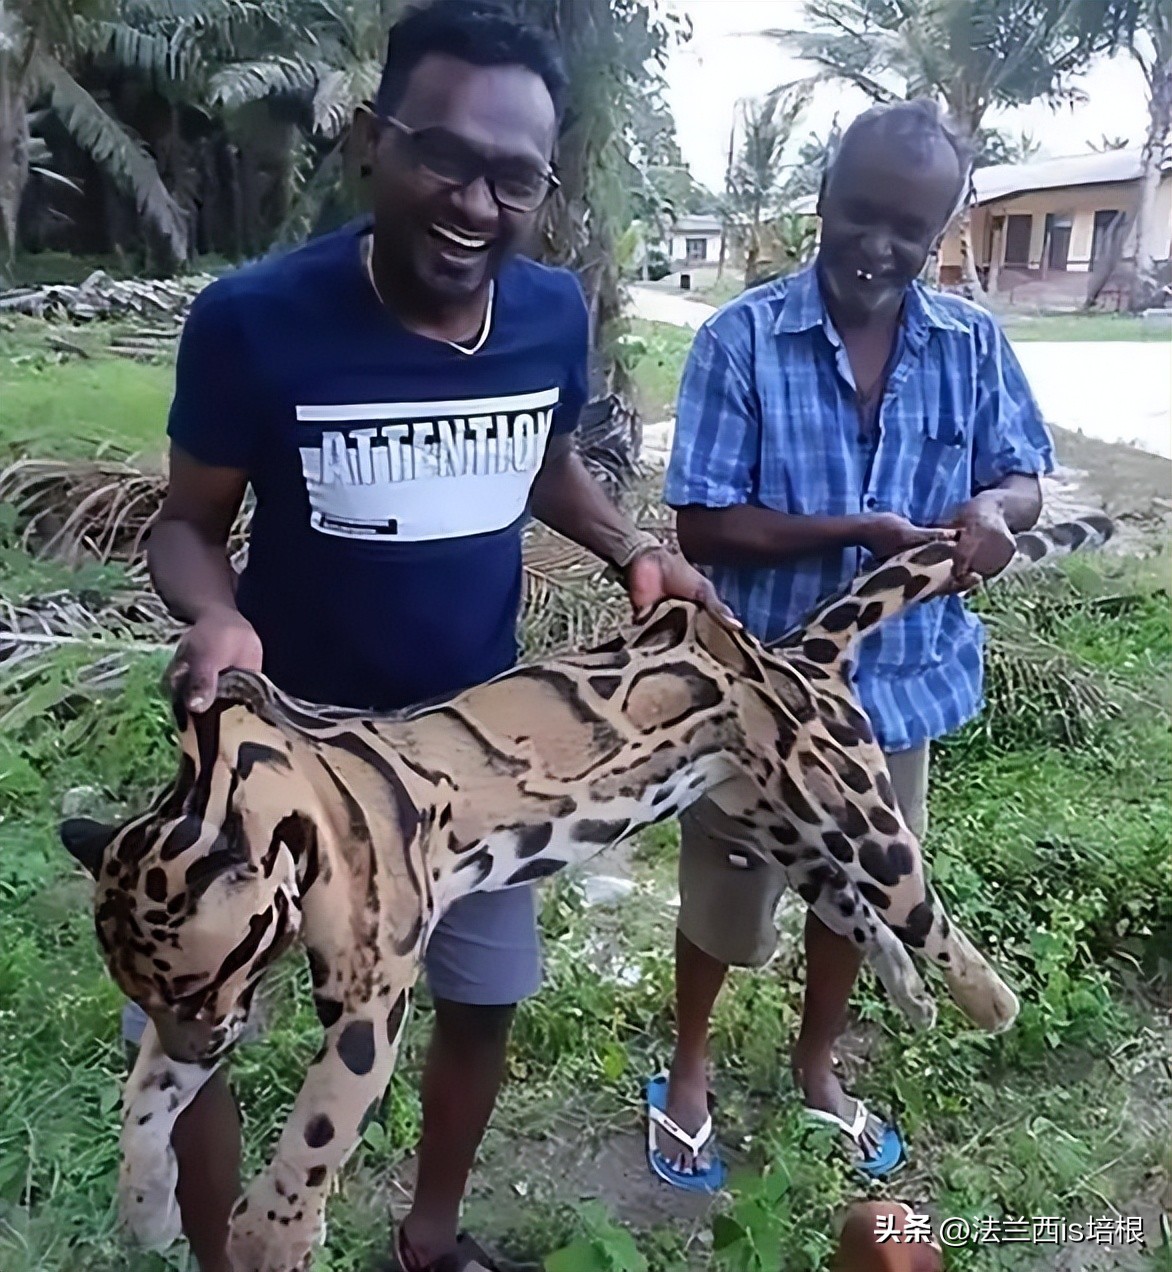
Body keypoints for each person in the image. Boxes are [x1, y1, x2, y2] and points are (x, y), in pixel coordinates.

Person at [130, 3, 732, 1270]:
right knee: (205, 1021)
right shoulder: (256, 320)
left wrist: (630, 546)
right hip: (282, 740)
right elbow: (184, 525)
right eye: (443, 158)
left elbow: (541, 460)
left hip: (476, 752)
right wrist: (220, 613)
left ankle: (431, 1237)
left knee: (479, 1003)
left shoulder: (548, 314)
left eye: (514, 177)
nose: (474, 201)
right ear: (374, 140)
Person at [646, 98, 1054, 1190]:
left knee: (863, 891)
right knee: (725, 899)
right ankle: (685, 1070)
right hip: (755, 699)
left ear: (942, 232)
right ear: (821, 203)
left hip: (893, 699)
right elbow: (700, 521)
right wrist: (856, 535)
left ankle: (816, 1067)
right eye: (861, 214)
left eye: (908, 229)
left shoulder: (971, 345)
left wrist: (995, 516)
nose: (879, 246)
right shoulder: (741, 339)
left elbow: (1019, 474)